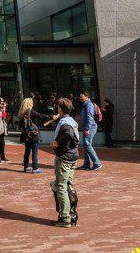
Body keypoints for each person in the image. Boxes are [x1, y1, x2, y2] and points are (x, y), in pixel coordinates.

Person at [50, 97, 79, 227]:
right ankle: (72, 213)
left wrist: (58, 143)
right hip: (72, 157)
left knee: (61, 187)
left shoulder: (66, 123)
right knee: (68, 185)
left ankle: (66, 217)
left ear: (60, 109)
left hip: (64, 159)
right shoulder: (71, 121)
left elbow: (68, 134)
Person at [18, 97, 57, 173]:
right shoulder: (30, 111)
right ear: (28, 104)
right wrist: (51, 117)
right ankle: (35, 168)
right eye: (31, 103)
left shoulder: (22, 112)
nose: (33, 104)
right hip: (33, 134)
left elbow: (20, 125)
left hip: (26, 135)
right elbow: (40, 116)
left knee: (27, 151)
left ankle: (26, 167)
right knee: (35, 152)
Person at [78, 92, 102, 171]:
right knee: (86, 145)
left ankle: (97, 163)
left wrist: (87, 128)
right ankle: (86, 164)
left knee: (87, 144)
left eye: (82, 96)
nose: (80, 98)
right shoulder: (85, 104)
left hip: (90, 128)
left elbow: (90, 117)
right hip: (87, 128)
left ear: (87, 97)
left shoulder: (89, 105)